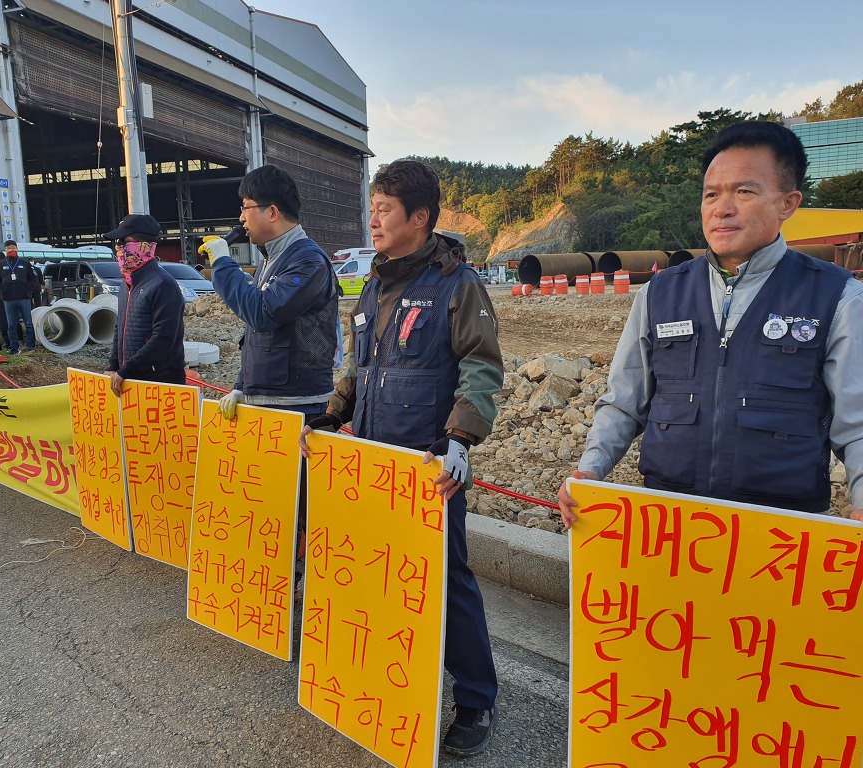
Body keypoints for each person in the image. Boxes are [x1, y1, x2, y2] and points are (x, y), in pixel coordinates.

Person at [558, 121, 863, 527]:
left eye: (744, 191)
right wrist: (590, 471)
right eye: (711, 194)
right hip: (668, 525)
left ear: (788, 203)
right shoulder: (660, 293)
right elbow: (623, 402)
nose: (722, 208)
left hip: (782, 533)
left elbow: (857, 422)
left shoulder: (836, 296)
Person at [297, 160, 504, 756]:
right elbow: (358, 368)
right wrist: (333, 414)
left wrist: (461, 442)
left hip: (427, 469)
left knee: (447, 581)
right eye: (373, 208)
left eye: (385, 209)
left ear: (419, 218)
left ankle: (476, 698)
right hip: (370, 465)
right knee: (381, 576)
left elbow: (482, 368)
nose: (374, 219)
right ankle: (389, 682)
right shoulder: (373, 288)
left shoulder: (458, 286)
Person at [197, 164, 338, 422]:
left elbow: (263, 313)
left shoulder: (308, 261)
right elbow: (256, 332)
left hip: (296, 406)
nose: (241, 218)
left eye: (245, 208)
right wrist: (243, 385)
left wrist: (222, 264)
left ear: (272, 212)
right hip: (269, 400)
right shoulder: (270, 258)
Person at [103, 214, 186, 396]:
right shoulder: (127, 284)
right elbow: (121, 327)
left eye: (125, 241)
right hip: (132, 380)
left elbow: (164, 338)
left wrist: (126, 370)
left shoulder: (163, 284)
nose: (119, 248)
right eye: (117, 243)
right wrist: (114, 366)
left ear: (145, 245)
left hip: (159, 383)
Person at [0, 240, 39, 354]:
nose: (11, 249)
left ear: (17, 249)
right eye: (8, 248)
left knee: (28, 323)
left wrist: (28, 289)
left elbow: (34, 280)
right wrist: (1, 290)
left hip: (24, 298)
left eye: (13, 247)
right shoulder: (1, 264)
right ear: (5, 250)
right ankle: (14, 348)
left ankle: (31, 346)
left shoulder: (25, 263)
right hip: (8, 299)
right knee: (11, 325)